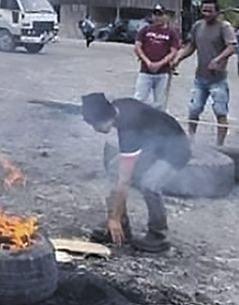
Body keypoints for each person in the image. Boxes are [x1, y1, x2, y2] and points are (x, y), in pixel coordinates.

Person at [81, 92, 191, 254]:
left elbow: (124, 182)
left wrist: (114, 218)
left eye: (95, 125)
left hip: (176, 149)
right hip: (153, 147)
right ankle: (122, 229)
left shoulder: (129, 129)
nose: (95, 129)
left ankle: (159, 236)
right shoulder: (117, 106)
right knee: (113, 167)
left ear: (104, 118)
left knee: (150, 185)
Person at [170, 0, 236, 146]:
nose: (206, 13)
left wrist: (217, 60)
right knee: (194, 110)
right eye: (204, 10)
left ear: (217, 12)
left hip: (217, 78)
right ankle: (191, 139)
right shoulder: (198, 26)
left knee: (220, 111)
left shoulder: (224, 27)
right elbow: (191, 46)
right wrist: (178, 58)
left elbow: (231, 47)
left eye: (209, 11)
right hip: (200, 78)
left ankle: (220, 144)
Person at [132, 5, 181, 112]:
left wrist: (160, 63)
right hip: (145, 71)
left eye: (160, 14)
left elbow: (173, 51)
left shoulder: (171, 33)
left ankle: (157, 124)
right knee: (139, 98)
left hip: (163, 72)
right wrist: (148, 62)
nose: (157, 17)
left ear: (166, 16)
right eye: (155, 14)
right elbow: (138, 47)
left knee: (160, 102)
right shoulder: (145, 30)